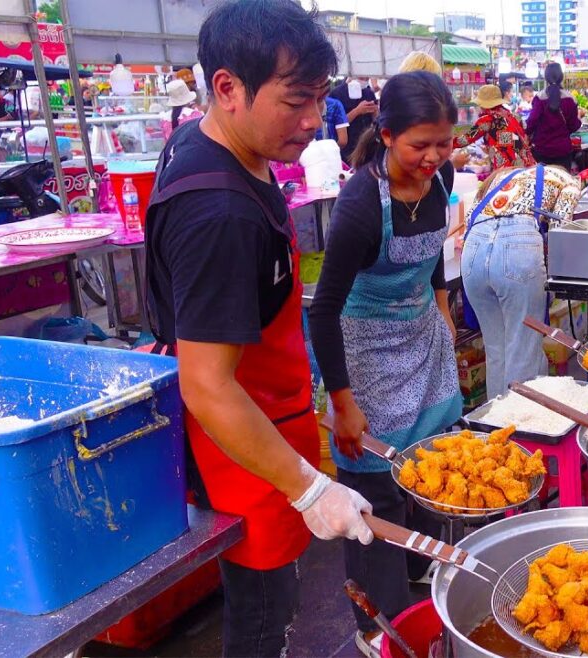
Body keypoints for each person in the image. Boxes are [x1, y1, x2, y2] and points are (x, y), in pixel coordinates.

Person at [142, 2, 374, 656]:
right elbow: (209, 388)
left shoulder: (214, 138)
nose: (313, 121)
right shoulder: (218, 215)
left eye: (322, 99)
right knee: (262, 617)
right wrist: (309, 487)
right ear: (227, 89)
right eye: (296, 102)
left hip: (277, 412)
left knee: (269, 603)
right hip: (245, 447)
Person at [308, 71, 462, 656]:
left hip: (423, 336)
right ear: (388, 134)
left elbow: (437, 259)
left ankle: (421, 591)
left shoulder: (441, 177)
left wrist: (443, 310)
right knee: (375, 494)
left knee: (429, 471)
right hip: (365, 349)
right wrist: (341, 403)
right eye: (419, 145)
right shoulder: (358, 207)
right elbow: (322, 313)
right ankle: (377, 625)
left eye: (443, 143)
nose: (433, 157)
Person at [462, 164, 581, 396]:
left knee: (496, 351)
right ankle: (525, 426)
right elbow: (561, 229)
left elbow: (469, 218)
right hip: (517, 246)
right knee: (524, 348)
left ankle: (497, 425)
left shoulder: (502, 178)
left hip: (473, 248)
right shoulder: (566, 179)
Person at [454, 84, 536, 170]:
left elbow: (465, 139)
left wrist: (449, 144)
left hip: (508, 168)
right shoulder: (511, 114)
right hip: (527, 163)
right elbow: (515, 138)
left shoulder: (487, 119)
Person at [526, 62, 581, 170]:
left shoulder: (539, 98)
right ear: (561, 77)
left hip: (542, 150)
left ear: (546, 78)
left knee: (541, 184)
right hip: (563, 151)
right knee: (562, 184)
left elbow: (531, 123)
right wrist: (578, 118)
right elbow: (574, 126)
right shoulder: (570, 99)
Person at [329, 76, 379, 163]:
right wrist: (357, 111)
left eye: (367, 78)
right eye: (362, 77)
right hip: (347, 148)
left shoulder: (368, 92)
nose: (365, 80)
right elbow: (335, 125)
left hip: (366, 146)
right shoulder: (337, 94)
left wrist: (375, 111)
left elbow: (375, 120)